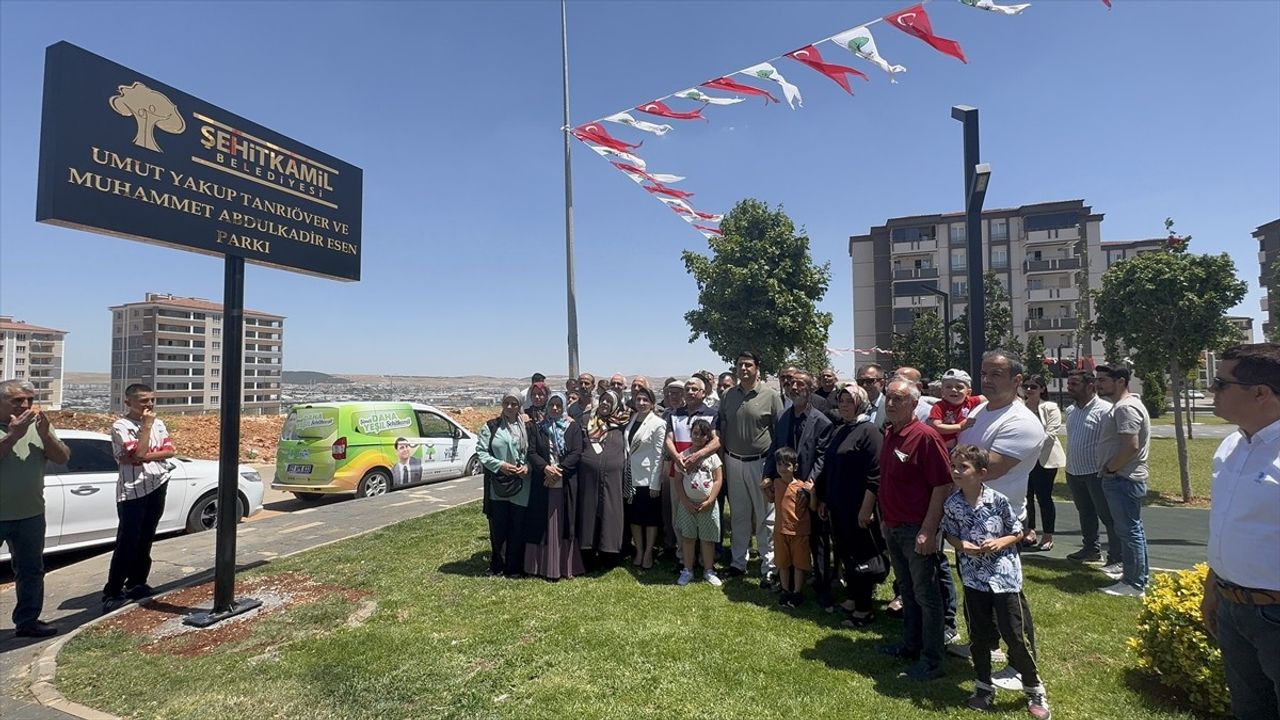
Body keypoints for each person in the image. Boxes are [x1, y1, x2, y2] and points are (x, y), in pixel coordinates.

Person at [1199, 343, 1280, 720]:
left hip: (1274, 614)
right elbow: (1227, 525)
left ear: (1260, 393)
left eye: (1220, 383)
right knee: (1249, 709)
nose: (1212, 391)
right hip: (1232, 607)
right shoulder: (1231, 445)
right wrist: (1214, 588)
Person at [943, 444, 1052, 719]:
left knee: (1014, 635)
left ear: (981, 473)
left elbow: (1017, 531)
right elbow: (950, 535)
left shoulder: (998, 500)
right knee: (979, 636)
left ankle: (1033, 687)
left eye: (963, 467)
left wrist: (999, 542)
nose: (956, 471)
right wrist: (961, 545)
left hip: (1003, 577)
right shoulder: (952, 504)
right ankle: (983, 686)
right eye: (954, 466)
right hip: (973, 579)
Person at [878, 378, 955, 681]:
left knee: (927, 595)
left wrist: (928, 529)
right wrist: (885, 518)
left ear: (913, 403)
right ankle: (910, 644)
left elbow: (942, 485)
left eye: (899, 399)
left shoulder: (925, 437)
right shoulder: (889, 433)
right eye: (889, 398)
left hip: (916, 529)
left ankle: (932, 660)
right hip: (893, 526)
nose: (892, 403)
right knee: (907, 590)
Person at [0, 379, 70, 637]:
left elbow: (62, 457)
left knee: (31, 570)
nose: (25, 405)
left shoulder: (37, 428)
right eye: (17, 400)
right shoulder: (15, 429)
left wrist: (44, 435)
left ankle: (28, 621)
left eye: (30, 400)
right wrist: (12, 436)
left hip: (30, 514)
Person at [814, 383, 886, 628]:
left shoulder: (870, 432)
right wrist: (823, 498)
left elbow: (876, 474)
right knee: (846, 553)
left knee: (861, 555)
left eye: (849, 401)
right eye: (841, 401)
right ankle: (854, 597)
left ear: (861, 403)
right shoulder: (841, 429)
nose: (843, 405)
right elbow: (829, 466)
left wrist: (867, 508)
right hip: (838, 506)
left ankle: (865, 610)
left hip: (858, 507)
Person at [101, 383, 177, 613]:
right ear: (129, 403)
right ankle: (112, 591)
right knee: (128, 541)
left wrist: (146, 456)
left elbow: (170, 450)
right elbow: (137, 452)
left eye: (152, 400)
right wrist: (146, 429)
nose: (149, 405)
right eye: (144, 401)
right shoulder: (121, 426)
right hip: (132, 490)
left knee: (146, 537)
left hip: (156, 483)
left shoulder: (159, 424)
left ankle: (137, 582)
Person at [763, 371, 832, 599]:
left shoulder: (821, 421)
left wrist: (810, 484)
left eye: (800, 383)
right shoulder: (783, 416)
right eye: (791, 383)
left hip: (810, 491)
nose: (794, 387)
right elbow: (774, 449)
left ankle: (822, 587)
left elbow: (822, 456)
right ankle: (790, 585)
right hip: (785, 487)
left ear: (811, 389)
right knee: (788, 536)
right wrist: (767, 475)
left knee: (816, 541)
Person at [716, 351, 785, 581]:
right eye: (739, 364)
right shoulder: (727, 395)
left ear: (757, 368)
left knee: (766, 516)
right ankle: (738, 563)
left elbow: (779, 433)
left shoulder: (771, 395)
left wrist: (773, 469)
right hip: (733, 461)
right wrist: (723, 461)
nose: (743, 368)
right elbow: (723, 428)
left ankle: (769, 567)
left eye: (748, 365)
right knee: (739, 515)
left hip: (761, 462)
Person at [1095, 362, 1151, 597]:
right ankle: (1136, 576)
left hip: (1123, 478)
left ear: (1120, 382)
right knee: (1131, 530)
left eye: (1103, 381)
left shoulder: (1125, 408)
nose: (1098, 385)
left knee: (1129, 531)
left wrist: (1110, 468)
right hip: (1123, 477)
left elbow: (1130, 445)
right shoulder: (1123, 406)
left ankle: (1134, 583)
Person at [523, 394, 585, 581]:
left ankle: (564, 566)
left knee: (564, 522)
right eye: (552, 405)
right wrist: (545, 468)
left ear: (564, 407)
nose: (556, 408)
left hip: (564, 482)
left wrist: (559, 470)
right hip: (543, 482)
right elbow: (531, 451)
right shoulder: (538, 427)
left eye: (559, 405)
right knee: (541, 521)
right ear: (548, 406)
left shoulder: (572, 427)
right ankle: (540, 565)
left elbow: (576, 452)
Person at [1063, 369, 1118, 565]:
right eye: (1069, 383)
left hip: (1097, 473)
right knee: (1085, 513)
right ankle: (1091, 549)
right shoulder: (1071, 410)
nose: (1069, 387)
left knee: (1107, 516)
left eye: (1074, 384)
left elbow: (1114, 441)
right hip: (1074, 472)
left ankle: (1116, 556)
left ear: (1090, 386)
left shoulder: (1105, 410)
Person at [665, 377, 720, 570]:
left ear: (703, 393)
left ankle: (704, 560)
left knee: (703, 514)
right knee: (679, 516)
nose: (690, 392)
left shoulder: (712, 414)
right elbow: (668, 440)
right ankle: (683, 558)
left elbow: (716, 441)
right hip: (679, 472)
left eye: (694, 389)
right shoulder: (674, 414)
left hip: (703, 473)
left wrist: (696, 456)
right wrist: (677, 458)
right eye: (687, 389)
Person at [477, 393, 532, 577]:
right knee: (499, 527)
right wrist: (500, 466)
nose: (510, 407)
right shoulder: (491, 427)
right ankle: (498, 565)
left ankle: (514, 567)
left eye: (514, 403)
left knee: (518, 526)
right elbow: (482, 453)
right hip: (499, 485)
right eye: (506, 403)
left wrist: (528, 467)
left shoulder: (527, 427)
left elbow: (534, 451)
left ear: (519, 406)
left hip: (521, 483)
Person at [578, 389, 629, 568]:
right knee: (589, 513)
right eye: (603, 400)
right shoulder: (587, 421)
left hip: (614, 479)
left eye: (609, 401)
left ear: (616, 404)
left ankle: (609, 554)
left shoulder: (623, 424)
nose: (605, 403)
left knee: (611, 514)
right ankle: (588, 553)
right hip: (588, 478)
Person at [675, 419, 724, 587]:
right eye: (695, 433)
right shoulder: (683, 456)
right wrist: (685, 501)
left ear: (708, 438)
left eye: (702, 434)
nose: (698, 437)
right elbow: (678, 482)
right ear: (691, 434)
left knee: (707, 539)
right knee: (688, 537)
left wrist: (711, 500)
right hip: (688, 504)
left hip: (708, 505)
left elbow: (718, 480)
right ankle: (687, 569)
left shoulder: (713, 458)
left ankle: (709, 570)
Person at [762, 447, 814, 608]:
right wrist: (764, 488)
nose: (783, 469)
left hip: (799, 531)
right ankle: (785, 590)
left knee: (799, 564)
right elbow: (771, 500)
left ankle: (797, 591)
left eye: (787, 465)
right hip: (780, 530)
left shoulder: (801, 486)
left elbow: (812, 508)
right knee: (782, 563)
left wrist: (813, 493)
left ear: (795, 467)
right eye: (779, 465)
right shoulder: (776, 483)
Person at [1021, 375, 1065, 551]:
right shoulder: (1019, 408)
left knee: (1044, 498)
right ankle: (1030, 531)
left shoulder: (1050, 407)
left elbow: (1051, 433)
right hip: (1023, 460)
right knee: (1026, 497)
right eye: (1026, 386)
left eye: (1034, 386)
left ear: (1042, 389)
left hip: (1044, 459)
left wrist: (1031, 446)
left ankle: (1048, 535)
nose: (1029, 390)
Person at [625, 385, 667, 569]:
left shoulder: (658, 423)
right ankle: (639, 550)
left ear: (652, 403)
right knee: (634, 517)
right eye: (638, 400)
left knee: (650, 518)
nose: (641, 403)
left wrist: (655, 484)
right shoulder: (631, 419)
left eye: (645, 400)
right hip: (630, 476)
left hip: (647, 478)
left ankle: (649, 551)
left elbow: (659, 455)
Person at [929, 369, 983, 448]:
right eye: (948, 387)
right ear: (942, 391)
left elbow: (985, 397)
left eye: (959, 387)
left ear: (968, 392)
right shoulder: (939, 406)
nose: (953, 390)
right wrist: (960, 427)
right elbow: (936, 426)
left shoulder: (969, 401)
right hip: (943, 447)